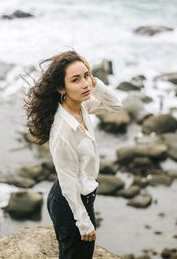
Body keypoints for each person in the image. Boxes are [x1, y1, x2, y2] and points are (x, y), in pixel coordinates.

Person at [24, 50, 123, 259]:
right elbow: (68, 183)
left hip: (81, 195)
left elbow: (116, 105)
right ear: (62, 87)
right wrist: (84, 222)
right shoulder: (62, 132)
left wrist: (95, 81)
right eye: (76, 80)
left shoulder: (82, 106)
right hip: (70, 201)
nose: (85, 84)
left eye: (86, 76)